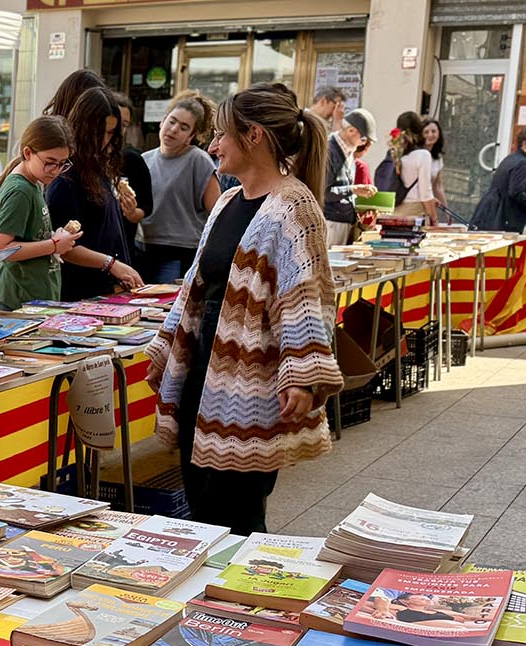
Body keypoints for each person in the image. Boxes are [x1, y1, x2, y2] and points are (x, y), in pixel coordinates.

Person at [142, 83, 340, 536]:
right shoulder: (229, 201)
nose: (212, 146)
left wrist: (305, 376)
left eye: (221, 135)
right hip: (202, 374)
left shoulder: (295, 206)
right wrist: (167, 345)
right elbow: (195, 284)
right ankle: (209, 601)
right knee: (201, 506)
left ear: (253, 136)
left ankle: (246, 602)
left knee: (237, 517)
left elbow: (306, 298)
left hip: (250, 386)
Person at [45, 89, 144, 301]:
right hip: (79, 296)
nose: (104, 141)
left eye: (110, 133)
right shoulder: (66, 177)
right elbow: (63, 246)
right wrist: (111, 264)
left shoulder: (98, 168)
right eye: (99, 133)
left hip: (107, 292)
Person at [0, 116, 82, 308]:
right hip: (21, 298)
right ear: (28, 153)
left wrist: (55, 238)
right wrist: (54, 245)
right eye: (50, 162)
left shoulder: (33, 182)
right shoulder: (20, 190)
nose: (55, 170)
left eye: (62, 163)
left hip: (33, 295)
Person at [138, 91, 221, 282]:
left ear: (192, 135)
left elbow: (217, 211)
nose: (174, 130)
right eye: (172, 121)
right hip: (143, 249)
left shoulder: (198, 160)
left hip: (179, 252)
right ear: (163, 120)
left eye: (184, 127)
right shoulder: (145, 160)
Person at [469, 126, 526, 233]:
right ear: (525, 143)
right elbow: (516, 193)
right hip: (503, 217)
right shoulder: (522, 164)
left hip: (491, 213)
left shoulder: (511, 159)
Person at [322, 107, 375, 247]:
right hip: (330, 222)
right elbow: (323, 193)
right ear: (351, 130)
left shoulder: (348, 152)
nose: (363, 144)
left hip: (341, 221)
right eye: (363, 139)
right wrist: (353, 189)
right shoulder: (329, 151)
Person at [116, 99, 152, 250]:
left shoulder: (133, 159)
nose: (118, 129)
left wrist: (131, 212)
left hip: (124, 246)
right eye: (116, 121)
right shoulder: (85, 161)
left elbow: (146, 207)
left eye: (124, 124)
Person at [393, 128, 438, 223]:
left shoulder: (394, 153)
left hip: (392, 212)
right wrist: (434, 219)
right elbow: (425, 194)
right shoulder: (422, 155)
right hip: (414, 213)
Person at [420, 118, 449, 216]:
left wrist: (446, 210)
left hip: (429, 204)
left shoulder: (438, 158)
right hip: (416, 204)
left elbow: (437, 186)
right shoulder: (417, 155)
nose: (430, 135)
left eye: (433, 131)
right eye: (426, 132)